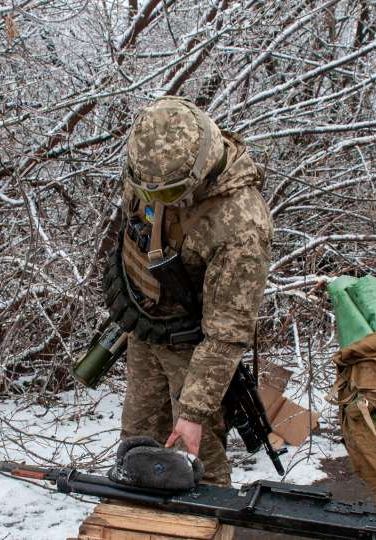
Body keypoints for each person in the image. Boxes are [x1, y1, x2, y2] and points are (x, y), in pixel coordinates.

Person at [102, 96, 273, 486]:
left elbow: (227, 332)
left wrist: (194, 411)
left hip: (196, 350)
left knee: (196, 462)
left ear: (198, 172)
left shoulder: (240, 225)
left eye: (165, 195)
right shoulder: (152, 167)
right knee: (137, 447)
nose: (151, 200)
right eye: (143, 189)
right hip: (146, 329)